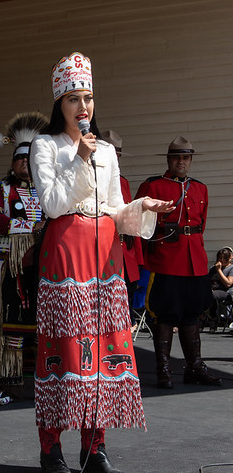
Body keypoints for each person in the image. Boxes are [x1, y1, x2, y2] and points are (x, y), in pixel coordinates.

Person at [30, 53, 173, 473]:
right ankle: (51, 448)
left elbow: (112, 209)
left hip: (104, 254)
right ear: (60, 105)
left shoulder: (107, 151)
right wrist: (77, 157)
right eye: (73, 99)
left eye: (88, 97)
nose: (83, 107)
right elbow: (53, 204)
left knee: (106, 347)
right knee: (64, 349)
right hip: (66, 253)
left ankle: (95, 448)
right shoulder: (46, 146)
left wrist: (141, 206)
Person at [136, 137, 221, 388]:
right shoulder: (153, 186)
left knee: (192, 314)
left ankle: (194, 367)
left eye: (185, 158)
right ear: (168, 159)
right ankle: (164, 369)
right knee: (165, 314)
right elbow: (139, 223)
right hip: (166, 258)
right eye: (176, 157)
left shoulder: (200, 188)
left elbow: (201, 226)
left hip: (194, 258)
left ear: (191, 160)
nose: (180, 162)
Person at [0, 112, 48, 405]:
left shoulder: (46, 191)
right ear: (12, 163)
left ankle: (46, 381)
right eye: (20, 160)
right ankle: (6, 380)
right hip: (8, 268)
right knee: (11, 326)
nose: (24, 164)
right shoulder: (2, 190)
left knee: (41, 325)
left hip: (41, 268)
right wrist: (30, 227)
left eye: (29, 160)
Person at [103, 130, 146, 330]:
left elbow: (131, 222)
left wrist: (137, 261)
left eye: (117, 155)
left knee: (124, 313)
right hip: (100, 252)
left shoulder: (123, 182)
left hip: (124, 252)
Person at [207, 246, 233, 331]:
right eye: (220, 258)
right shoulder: (213, 269)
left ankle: (214, 319)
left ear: (229, 258)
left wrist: (219, 271)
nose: (221, 260)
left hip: (226, 292)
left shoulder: (231, 268)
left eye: (224, 258)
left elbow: (228, 284)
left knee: (213, 295)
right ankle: (201, 317)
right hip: (212, 289)